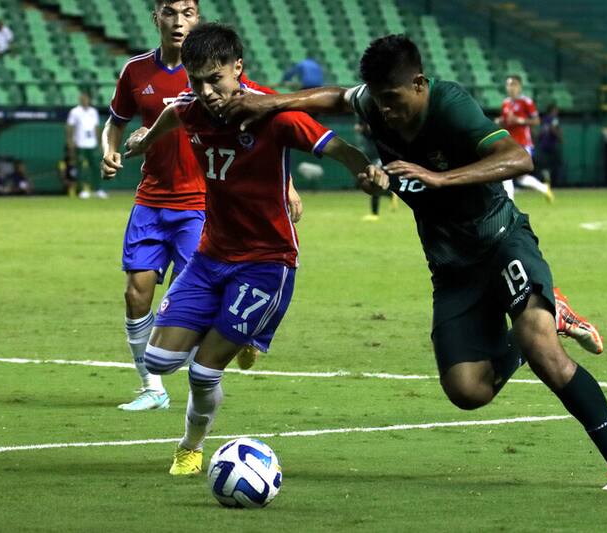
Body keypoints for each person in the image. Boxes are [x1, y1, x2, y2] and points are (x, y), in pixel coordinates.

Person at [218, 34, 607, 491]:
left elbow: (519, 158)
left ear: (419, 83)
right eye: (378, 101)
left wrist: (440, 179)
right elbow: (336, 97)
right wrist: (272, 104)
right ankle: (549, 314)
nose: (384, 110)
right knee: (467, 390)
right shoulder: (375, 101)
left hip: (500, 239)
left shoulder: (450, 105)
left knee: (543, 347)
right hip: (450, 265)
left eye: (392, 99)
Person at [123, 23, 374, 475]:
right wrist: (143, 142)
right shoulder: (191, 109)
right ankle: (237, 331)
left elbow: (334, 146)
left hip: (267, 261)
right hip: (211, 255)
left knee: (203, 371)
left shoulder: (272, 113)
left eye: (215, 79)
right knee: (159, 359)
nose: (206, 91)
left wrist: (364, 169)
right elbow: (172, 116)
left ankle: (190, 447)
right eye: (195, 80)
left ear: (237, 68)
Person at [100, 0, 301, 411]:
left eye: (188, 12)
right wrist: (110, 149)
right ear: (155, 17)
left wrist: (289, 184)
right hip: (151, 199)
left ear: (199, 17)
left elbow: (264, 127)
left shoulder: (217, 73)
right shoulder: (136, 71)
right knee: (135, 294)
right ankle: (152, 387)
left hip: (202, 204)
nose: (179, 21)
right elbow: (116, 122)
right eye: (170, 12)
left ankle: (235, 343)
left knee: (201, 300)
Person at [497, 75, 553, 202]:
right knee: (510, 175)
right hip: (509, 143)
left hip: (523, 144)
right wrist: (500, 121)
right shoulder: (505, 103)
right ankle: (544, 189)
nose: (511, 88)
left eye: (514, 85)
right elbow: (506, 121)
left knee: (515, 176)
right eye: (508, 85)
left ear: (519, 87)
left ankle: (510, 204)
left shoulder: (526, 102)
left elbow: (537, 121)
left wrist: (519, 120)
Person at [355, 120, 397, 221]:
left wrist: (362, 128)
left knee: (374, 182)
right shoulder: (371, 133)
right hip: (373, 159)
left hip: (379, 159)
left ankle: (374, 214)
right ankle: (390, 194)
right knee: (375, 184)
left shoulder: (378, 132)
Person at [67, 91, 105, 199]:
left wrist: (100, 142)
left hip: (92, 144)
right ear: (80, 99)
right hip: (80, 144)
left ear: (89, 100)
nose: (84, 100)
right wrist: (70, 141)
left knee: (96, 167)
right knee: (81, 168)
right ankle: (83, 190)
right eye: (82, 98)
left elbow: (96, 128)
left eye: (86, 98)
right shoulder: (74, 112)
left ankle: (98, 189)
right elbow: (70, 127)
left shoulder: (93, 112)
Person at [534, 103, 563, 187]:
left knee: (544, 165)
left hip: (543, 145)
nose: (557, 112)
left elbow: (539, 133)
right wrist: (560, 137)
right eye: (556, 110)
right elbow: (553, 128)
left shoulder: (544, 119)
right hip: (551, 146)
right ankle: (554, 184)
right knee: (555, 165)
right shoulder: (554, 118)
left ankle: (546, 181)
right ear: (552, 110)